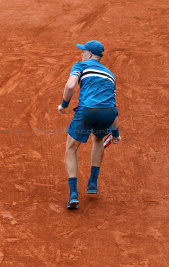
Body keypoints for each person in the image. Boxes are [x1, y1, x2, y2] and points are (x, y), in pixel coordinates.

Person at [57, 40, 121, 209]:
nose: (81, 54)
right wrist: (115, 134)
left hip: (87, 111)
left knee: (71, 148)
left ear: (90, 55)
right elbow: (113, 106)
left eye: (83, 51)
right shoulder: (111, 75)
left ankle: (73, 194)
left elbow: (70, 85)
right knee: (98, 140)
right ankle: (92, 184)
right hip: (107, 113)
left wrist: (63, 105)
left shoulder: (81, 66)